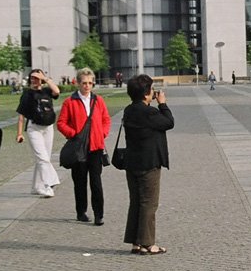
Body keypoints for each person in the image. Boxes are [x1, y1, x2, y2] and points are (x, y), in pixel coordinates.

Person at [122, 74, 175, 255]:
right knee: (149, 203)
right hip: (149, 163)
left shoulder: (129, 110)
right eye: (151, 90)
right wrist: (162, 103)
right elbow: (169, 122)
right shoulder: (149, 112)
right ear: (146, 94)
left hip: (132, 163)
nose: (153, 93)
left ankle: (135, 242)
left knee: (136, 202)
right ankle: (148, 243)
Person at [57, 68, 112, 224]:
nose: (87, 86)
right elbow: (61, 123)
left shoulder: (98, 100)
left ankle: (99, 214)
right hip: (78, 148)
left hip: (95, 147)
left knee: (96, 182)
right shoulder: (70, 102)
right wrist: (73, 133)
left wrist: (102, 133)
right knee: (80, 182)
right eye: (84, 83)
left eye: (90, 83)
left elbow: (106, 120)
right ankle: (81, 211)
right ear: (78, 83)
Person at [15, 69, 61, 198]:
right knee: (42, 158)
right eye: (33, 78)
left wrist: (46, 79)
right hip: (34, 128)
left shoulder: (46, 91)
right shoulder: (27, 94)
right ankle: (49, 184)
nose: (35, 80)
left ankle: (36, 186)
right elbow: (21, 116)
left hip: (48, 127)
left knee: (44, 158)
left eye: (38, 77)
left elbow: (57, 91)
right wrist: (19, 133)